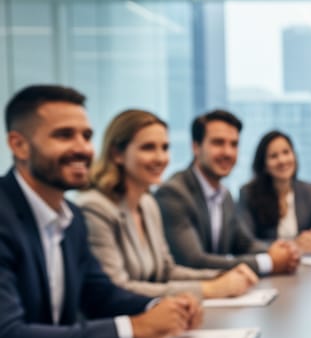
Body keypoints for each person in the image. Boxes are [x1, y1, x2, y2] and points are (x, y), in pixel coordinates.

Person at [0, 85, 203, 338]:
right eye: (64, 135)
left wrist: (161, 307)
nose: (83, 148)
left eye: (86, 136)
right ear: (19, 145)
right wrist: (135, 328)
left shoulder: (71, 217)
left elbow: (100, 295)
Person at [78, 109, 258, 299]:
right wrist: (208, 289)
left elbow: (166, 271)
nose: (160, 158)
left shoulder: (147, 204)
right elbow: (116, 288)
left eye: (164, 148)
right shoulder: (96, 208)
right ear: (117, 154)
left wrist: (221, 276)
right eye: (148, 148)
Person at [155, 109, 299, 275]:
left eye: (234, 144)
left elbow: (244, 244)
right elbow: (194, 261)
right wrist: (268, 262)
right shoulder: (174, 193)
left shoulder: (224, 195)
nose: (228, 152)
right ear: (196, 147)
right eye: (218, 143)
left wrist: (282, 251)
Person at [238, 130, 311, 255]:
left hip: (305, 263)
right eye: (273, 156)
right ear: (264, 165)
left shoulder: (309, 191)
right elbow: (246, 243)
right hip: (270, 263)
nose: (282, 160)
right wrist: (291, 246)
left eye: (286, 152)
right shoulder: (248, 193)